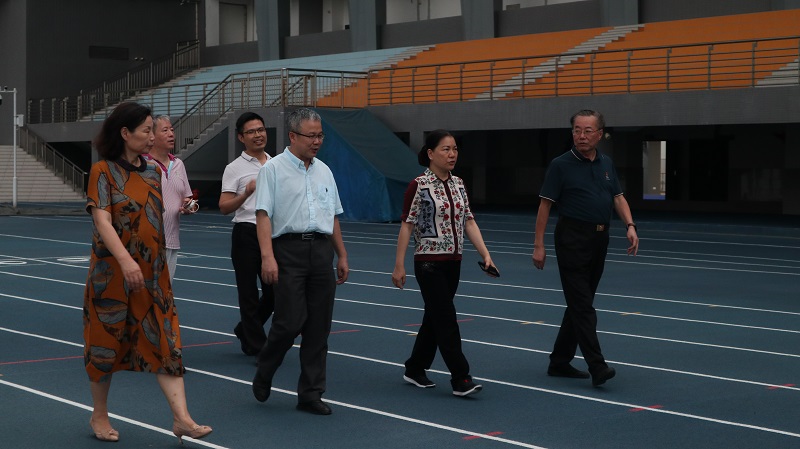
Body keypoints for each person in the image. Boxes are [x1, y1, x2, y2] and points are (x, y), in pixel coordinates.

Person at [83, 102, 211, 443]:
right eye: (147, 130)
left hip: (153, 275)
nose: (152, 136)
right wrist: (126, 261)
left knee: (167, 340)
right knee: (105, 344)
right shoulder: (103, 171)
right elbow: (102, 220)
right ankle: (99, 414)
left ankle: (182, 418)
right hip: (112, 274)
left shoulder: (153, 171)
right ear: (125, 133)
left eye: (153, 129)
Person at [251, 108, 349, 416]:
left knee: (319, 327)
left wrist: (342, 254)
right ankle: (266, 367)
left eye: (320, 136)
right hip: (287, 251)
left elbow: (332, 216)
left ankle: (310, 393)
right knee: (289, 322)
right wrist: (267, 257)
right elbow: (263, 215)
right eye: (311, 136)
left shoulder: (325, 171)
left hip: (321, 252)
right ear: (293, 136)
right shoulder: (273, 169)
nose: (317, 141)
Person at [532, 109, 639, 387]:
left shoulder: (606, 163)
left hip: (600, 239)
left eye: (587, 131)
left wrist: (630, 225)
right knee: (583, 306)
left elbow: (618, 197)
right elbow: (545, 205)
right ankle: (597, 366)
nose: (581, 135)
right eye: (577, 130)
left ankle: (559, 361)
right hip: (572, 238)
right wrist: (539, 245)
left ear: (599, 134)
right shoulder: (560, 165)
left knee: (580, 302)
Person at [391, 129, 498, 397]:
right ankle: (461, 377)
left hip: (454, 261)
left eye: (455, 149)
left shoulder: (459, 183)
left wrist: (485, 254)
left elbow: (469, 220)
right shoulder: (419, 185)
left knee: (435, 317)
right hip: (428, 263)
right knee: (446, 319)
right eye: (446, 149)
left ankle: (415, 367)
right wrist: (399, 265)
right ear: (430, 153)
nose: (452, 154)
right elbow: (407, 225)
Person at [219, 112, 276, 356]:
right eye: (251, 132)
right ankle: (257, 345)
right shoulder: (234, 168)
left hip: (272, 233)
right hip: (246, 232)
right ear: (241, 137)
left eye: (260, 130)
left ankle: (245, 329)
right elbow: (224, 207)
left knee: (275, 292)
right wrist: (246, 194)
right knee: (248, 293)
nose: (258, 135)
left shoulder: (275, 163)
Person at [143, 115, 196, 283]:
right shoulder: (142, 164)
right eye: (165, 130)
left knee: (166, 291)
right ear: (152, 135)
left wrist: (189, 207)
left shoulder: (179, 164)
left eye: (172, 130)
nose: (171, 134)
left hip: (172, 240)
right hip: (148, 241)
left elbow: (188, 198)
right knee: (147, 291)